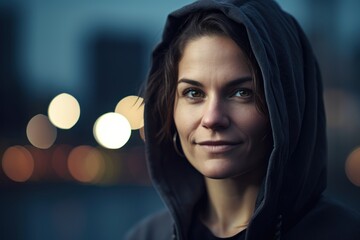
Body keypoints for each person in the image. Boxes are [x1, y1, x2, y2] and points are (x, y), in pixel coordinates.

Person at [126, 0, 360, 239]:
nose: (212, 118)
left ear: (286, 106)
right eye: (194, 93)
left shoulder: (344, 233)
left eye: (242, 93)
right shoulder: (146, 236)